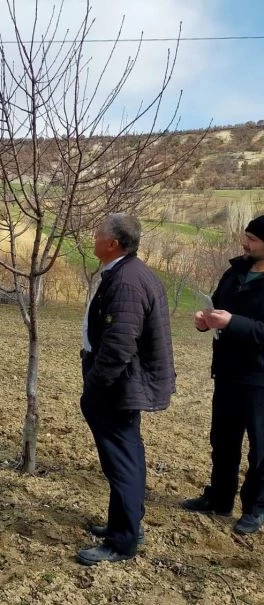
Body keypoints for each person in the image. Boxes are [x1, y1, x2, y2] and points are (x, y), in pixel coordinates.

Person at [76, 213, 175, 565]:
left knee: (123, 461)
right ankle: (127, 523)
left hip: (119, 386)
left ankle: (123, 541)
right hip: (122, 383)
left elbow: (119, 345)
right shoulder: (126, 272)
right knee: (126, 456)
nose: (93, 237)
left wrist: (95, 385)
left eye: (98, 233)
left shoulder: (127, 282)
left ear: (114, 244)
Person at [181, 215, 264, 535]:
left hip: (259, 378)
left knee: (260, 450)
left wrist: (232, 323)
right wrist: (206, 320)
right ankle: (219, 497)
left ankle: (255, 508)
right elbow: (218, 308)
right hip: (228, 372)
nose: (244, 243)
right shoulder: (235, 271)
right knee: (223, 440)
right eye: (245, 236)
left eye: (252, 239)